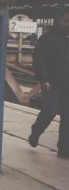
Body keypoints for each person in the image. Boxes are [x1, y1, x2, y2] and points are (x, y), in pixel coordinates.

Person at [28, 8, 69, 158]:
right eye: (67, 20)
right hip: (51, 83)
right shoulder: (47, 38)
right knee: (50, 111)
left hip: (67, 85)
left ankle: (64, 149)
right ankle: (36, 131)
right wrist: (43, 79)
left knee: (67, 116)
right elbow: (40, 60)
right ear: (59, 21)